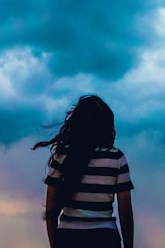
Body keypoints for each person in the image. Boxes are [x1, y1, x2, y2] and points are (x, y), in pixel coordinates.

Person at [32, 95, 135, 248]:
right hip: (105, 239)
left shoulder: (61, 157)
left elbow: (51, 211)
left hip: (68, 239)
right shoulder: (116, 158)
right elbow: (125, 213)